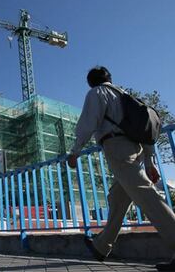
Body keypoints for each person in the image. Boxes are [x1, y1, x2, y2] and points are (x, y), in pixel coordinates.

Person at [67, 66, 175, 271]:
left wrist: (75, 151)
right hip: (136, 148)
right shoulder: (124, 95)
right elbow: (145, 129)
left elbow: (88, 123)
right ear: (109, 77)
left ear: (91, 82)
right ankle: (101, 245)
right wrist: (150, 160)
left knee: (146, 195)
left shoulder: (97, 93)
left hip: (117, 147)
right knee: (117, 197)